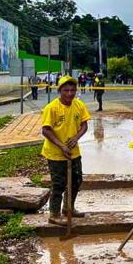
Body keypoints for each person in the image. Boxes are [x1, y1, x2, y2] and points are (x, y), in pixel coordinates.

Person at [40, 76, 91, 225]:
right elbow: (46, 130)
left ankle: (69, 208)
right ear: (60, 91)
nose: (70, 93)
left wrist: (76, 137)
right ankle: (54, 214)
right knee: (59, 184)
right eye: (66, 90)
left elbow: (84, 125)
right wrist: (61, 146)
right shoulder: (52, 108)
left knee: (77, 180)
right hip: (55, 153)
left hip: (73, 151)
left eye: (72, 90)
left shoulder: (79, 105)